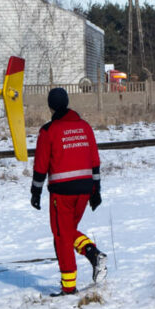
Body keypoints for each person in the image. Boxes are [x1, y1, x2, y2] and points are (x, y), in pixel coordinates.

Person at [30, 87, 106, 296]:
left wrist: (35, 192)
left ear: (50, 106)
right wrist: (96, 190)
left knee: (62, 236)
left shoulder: (48, 130)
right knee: (68, 231)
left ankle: (70, 286)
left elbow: (41, 165)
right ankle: (92, 254)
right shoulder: (85, 127)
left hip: (62, 192)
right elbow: (95, 160)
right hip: (85, 188)